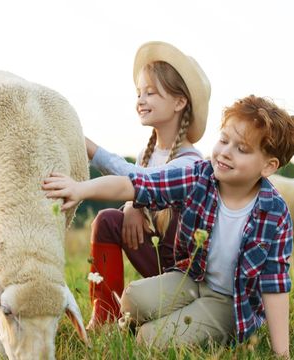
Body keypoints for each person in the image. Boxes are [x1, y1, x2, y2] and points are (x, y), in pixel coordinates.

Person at [43, 95, 294, 357]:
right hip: (192, 278)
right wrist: (80, 188)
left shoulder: (275, 213)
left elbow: (275, 284)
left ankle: (195, 328)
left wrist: (282, 353)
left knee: (149, 339)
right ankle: (166, 318)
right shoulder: (199, 175)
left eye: (242, 149)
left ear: (268, 166)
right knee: (132, 299)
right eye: (224, 140)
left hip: (230, 301)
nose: (225, 152)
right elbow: (134, 184)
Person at [82, 41, 210, 329]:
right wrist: (131, 206)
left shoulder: (191, 163)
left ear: (180, 102)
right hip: (156, 259)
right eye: (139, 93)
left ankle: (170, 306)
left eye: (151, 92)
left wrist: (87, 146)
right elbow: (137, 183)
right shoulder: (147, 155)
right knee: (107, 220)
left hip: (186, 272)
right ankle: (103, 313)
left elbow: (143, 182)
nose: (140, 99)